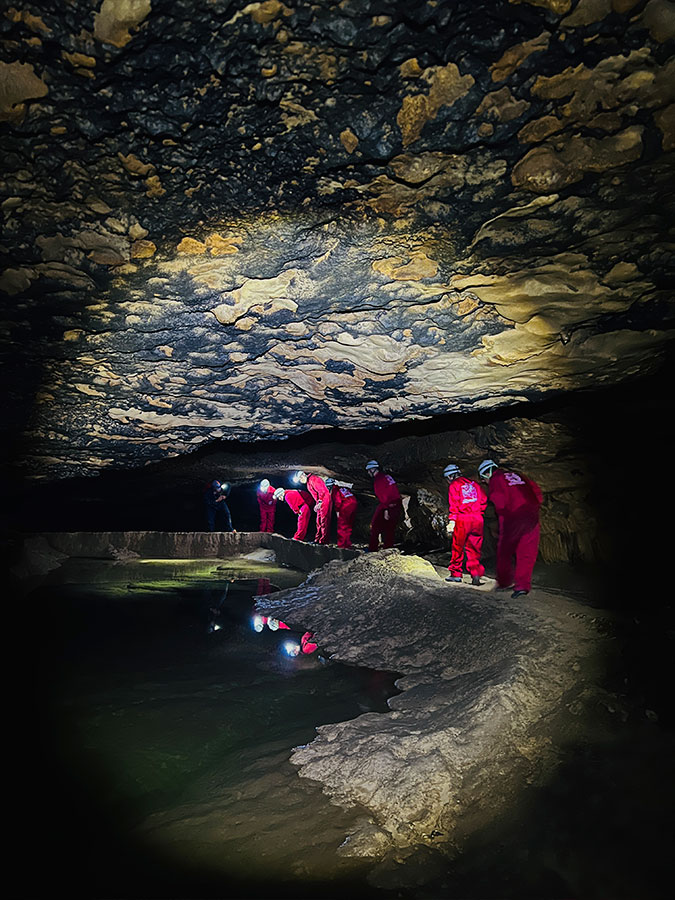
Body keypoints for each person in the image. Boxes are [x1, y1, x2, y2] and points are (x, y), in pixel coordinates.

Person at [478, 458, 543, 599]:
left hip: (514, 516)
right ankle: (522, 586)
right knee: (527, 552)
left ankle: (505, 582)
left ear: (487, 473)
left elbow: (499, 501)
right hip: (532, 515)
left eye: (484, 479)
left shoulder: (496, 479)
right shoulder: (517, 475)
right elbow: (537, 492)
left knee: (504, 552)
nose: (485, 482)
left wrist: (502, 523)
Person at [443, 463, 488, 586]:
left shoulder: (454, 485)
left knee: (458, 547)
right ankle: (476, 573)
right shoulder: (474, 484)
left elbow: (454, 505)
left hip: (463, 518)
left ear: (450, 477)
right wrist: (479, 512)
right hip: (478, 518)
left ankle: (456, 574)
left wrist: (452, 521)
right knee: (474, 547)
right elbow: (484, 499)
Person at [365, 460, 403, 552]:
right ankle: (388, 548)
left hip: (387, 505)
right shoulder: (387, 477)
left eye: (369, 470)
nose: (368, 473)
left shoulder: (378, 480)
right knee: (390, 528)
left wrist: (386, 509)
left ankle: (372, 549)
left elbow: (383, 495)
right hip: (397, 504)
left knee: (375, 526)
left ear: (373, 470)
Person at [295, 471, 332, 544]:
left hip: (325, 499)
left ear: (303, 475)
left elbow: (322, 490)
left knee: (324, 521)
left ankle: (323, 541)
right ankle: (317, 539)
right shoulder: (309, 482)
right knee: (318, 521)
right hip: (320, 501)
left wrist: (320, 502)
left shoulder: (313, 479)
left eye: (301, 478)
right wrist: (318, 503)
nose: (301, 480)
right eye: (300, 479)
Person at [325, 477, 358, 549]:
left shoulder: (335, 490)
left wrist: (337, 511)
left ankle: (342, 545)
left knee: (342, 526)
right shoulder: (342, 488)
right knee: (348, 525)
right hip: (354, 503)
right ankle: (347, 543)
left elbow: (338, 501)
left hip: (346, 505)